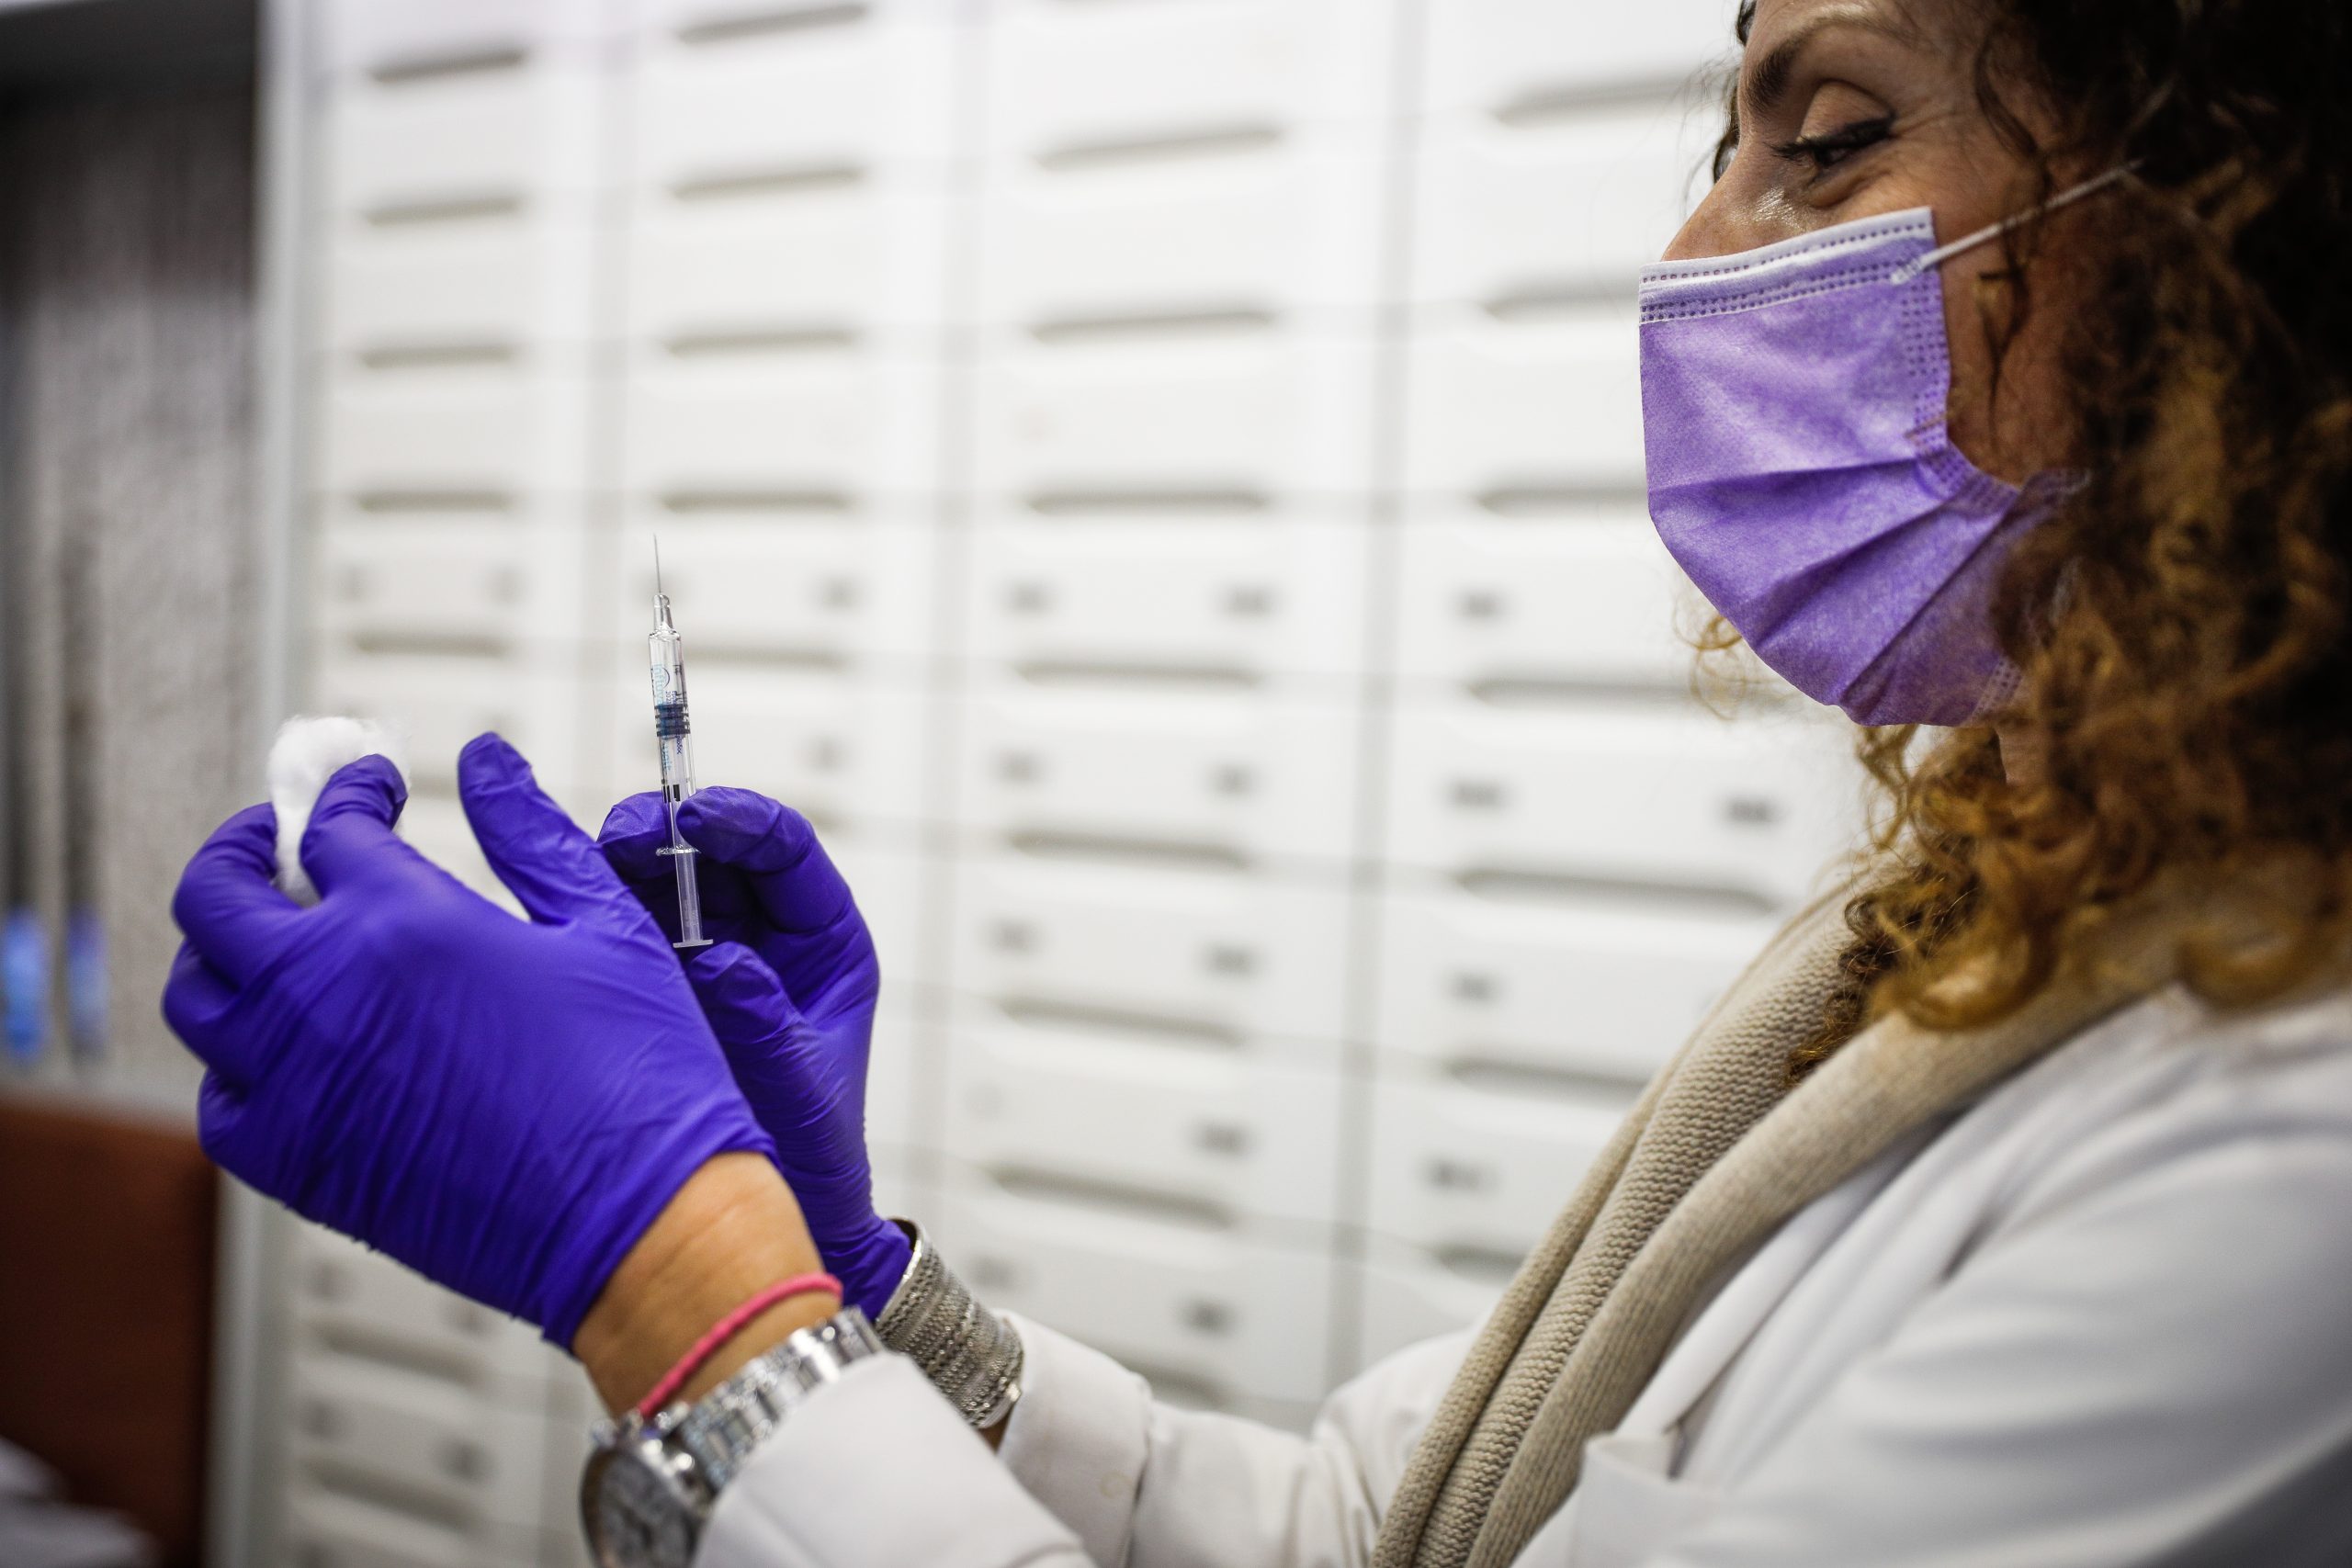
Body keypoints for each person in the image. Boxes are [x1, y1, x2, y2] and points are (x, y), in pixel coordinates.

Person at [163, 0, 2352, 1562]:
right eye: (1723, 143)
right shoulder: (2013, 905)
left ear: (2214, 233)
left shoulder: (2283, 1155)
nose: (1696, 254)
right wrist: (863, 1290)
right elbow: (1386, 1519)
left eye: (1829, 135)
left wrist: (685, 1280)